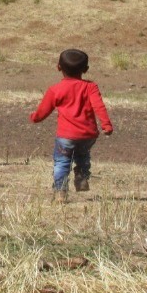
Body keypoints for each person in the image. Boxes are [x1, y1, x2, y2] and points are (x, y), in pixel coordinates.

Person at [29, 49, 113, 202]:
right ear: (86, 69)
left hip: (66, 135)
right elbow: (99, 106)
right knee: (83, 156)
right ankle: (82, 176)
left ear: (58, 67)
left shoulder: (55, 89)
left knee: (62, 162)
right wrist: (106, 124)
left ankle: (60, 191)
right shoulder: (91, 87)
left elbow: (43, 111)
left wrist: (35, 117)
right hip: (88, 135)